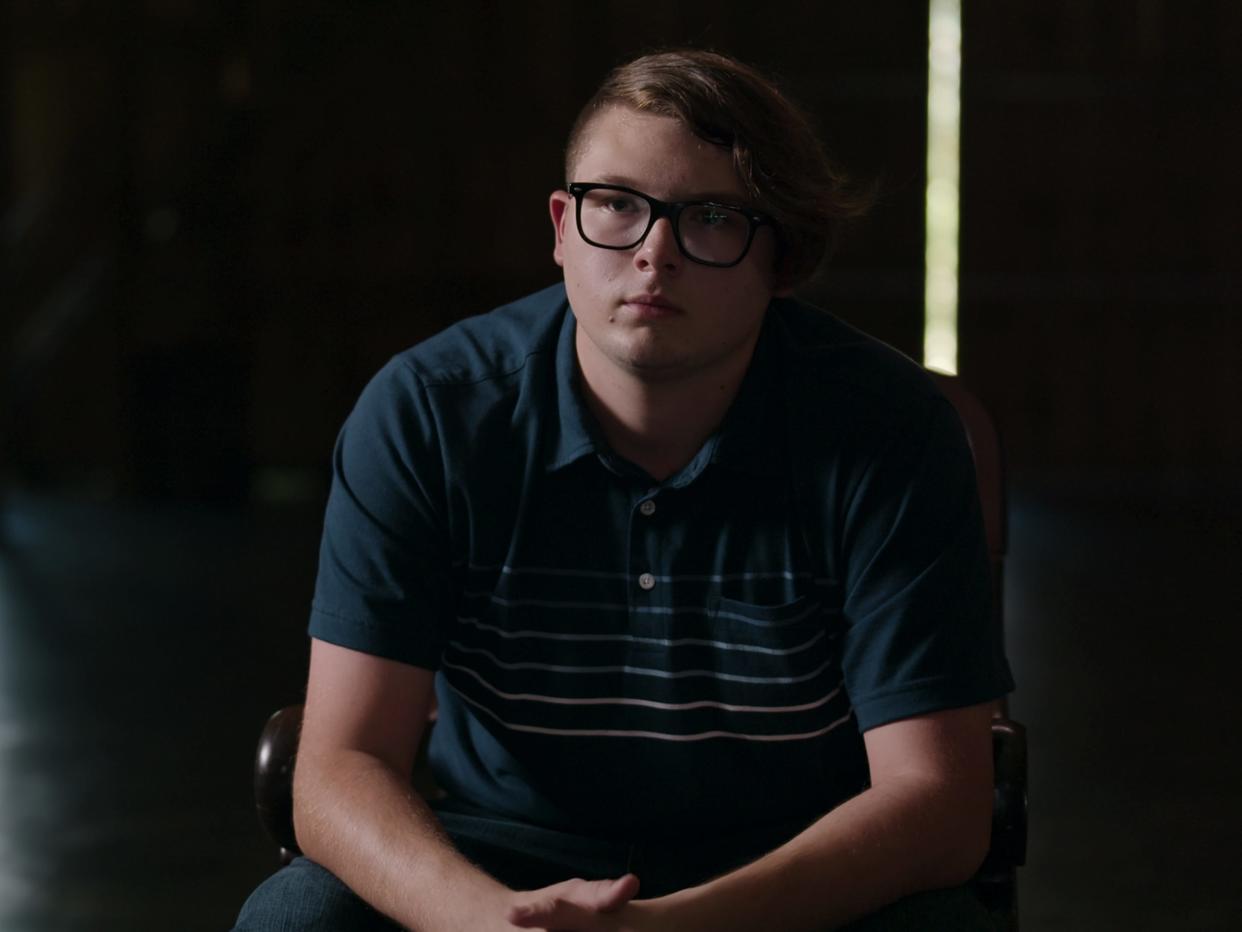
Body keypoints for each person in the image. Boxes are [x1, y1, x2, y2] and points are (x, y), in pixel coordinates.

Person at [233, 48, 1013, 931]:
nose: (654, 254)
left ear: (782, 259)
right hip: (500, 857)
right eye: (616, 205)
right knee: (298, 919)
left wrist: (679, 928)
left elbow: (938, 806)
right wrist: (487, 920)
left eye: (711, 217)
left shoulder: (889, 431)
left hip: (798, 867)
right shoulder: (429, 415)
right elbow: (341, 764)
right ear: (562, 227)